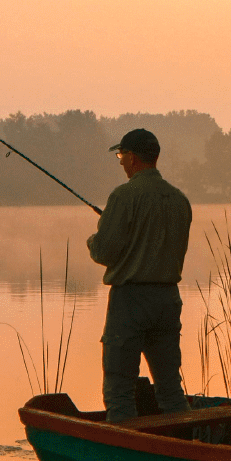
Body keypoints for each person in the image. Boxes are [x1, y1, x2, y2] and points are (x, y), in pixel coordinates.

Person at [86, 128, 193, 423]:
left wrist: (92, 241)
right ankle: (183, 448)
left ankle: (123, 453)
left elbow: (104, 252)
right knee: (170, 389)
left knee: (119, 389)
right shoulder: (179, 199)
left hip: (130, 301)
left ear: (132, 158)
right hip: (168, 300)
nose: (121, 162)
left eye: (121, 156)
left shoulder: (123, 196)